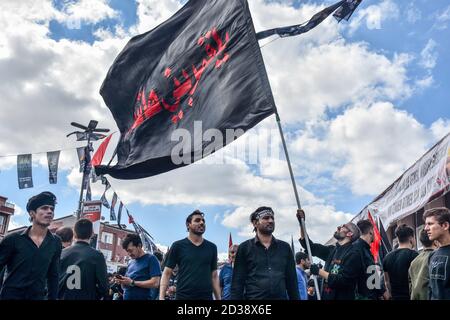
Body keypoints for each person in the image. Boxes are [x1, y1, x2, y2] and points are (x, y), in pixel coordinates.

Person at [0, 192, 61, 300]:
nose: (49, 211)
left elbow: (53, 275)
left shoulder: (55, 242)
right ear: (32, 213)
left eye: (52, 209)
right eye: (44, 208)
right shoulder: (13, 239)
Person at [231, 207, 299, 300]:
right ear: (255, 223)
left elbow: (292, 282)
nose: (271, 220)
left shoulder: (285, 248)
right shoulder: (244, 248)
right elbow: (237, 283)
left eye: (272, 218)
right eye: (266, 218)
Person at [297, 209, 361, 300]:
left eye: (343, 226)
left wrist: (319, 271)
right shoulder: (332, 250)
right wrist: (301, 224)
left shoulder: (354, 254)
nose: (338, 227)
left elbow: (343, 281)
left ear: (350, 233)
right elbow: (309, 246)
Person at [159, 210, 220, 300]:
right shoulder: (178, 246)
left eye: (203, 221)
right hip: (183, 297)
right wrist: (161, 297)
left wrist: (219, 298)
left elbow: (214, 276)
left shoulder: (212, 247)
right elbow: (167, 272)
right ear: (188, 225)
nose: (202, 223)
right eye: (197, 220)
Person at [58, 218, 108, 300]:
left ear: (74, 234)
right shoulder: (97, 256)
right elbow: (104, 286)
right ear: (92, 233)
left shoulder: (61, 253)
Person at [115, 233, 161, 300]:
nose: (129, 254)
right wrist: (122, 282)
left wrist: (132, 282)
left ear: (139, 246)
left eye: (130, 250)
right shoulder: (131, 262)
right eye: (127, 251)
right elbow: (125, 287)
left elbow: (155, 283)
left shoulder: (151, 259)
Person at [382, 224, 418, 300]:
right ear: (411, 238)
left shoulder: (387, 257)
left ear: (398, 239)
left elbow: (387, 282)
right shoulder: (414, 256)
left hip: (395, 297)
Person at [353, 219, 384, 300]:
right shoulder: (359, 249)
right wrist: (383, 292)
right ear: (370, 231)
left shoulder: (362, 248)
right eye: (373, 230)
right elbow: (371, 275)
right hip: (364, 296)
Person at [424, 207, 450, 300]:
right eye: (426, 224)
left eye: (430, 224)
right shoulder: (432, 255)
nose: (426, 228)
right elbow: (431, 288)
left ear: (445, 225)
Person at [408, 229, 437, 300]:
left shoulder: (414, 261)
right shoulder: (437, 258)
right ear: (435, 241)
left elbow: (411, 285)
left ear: (421, 242)